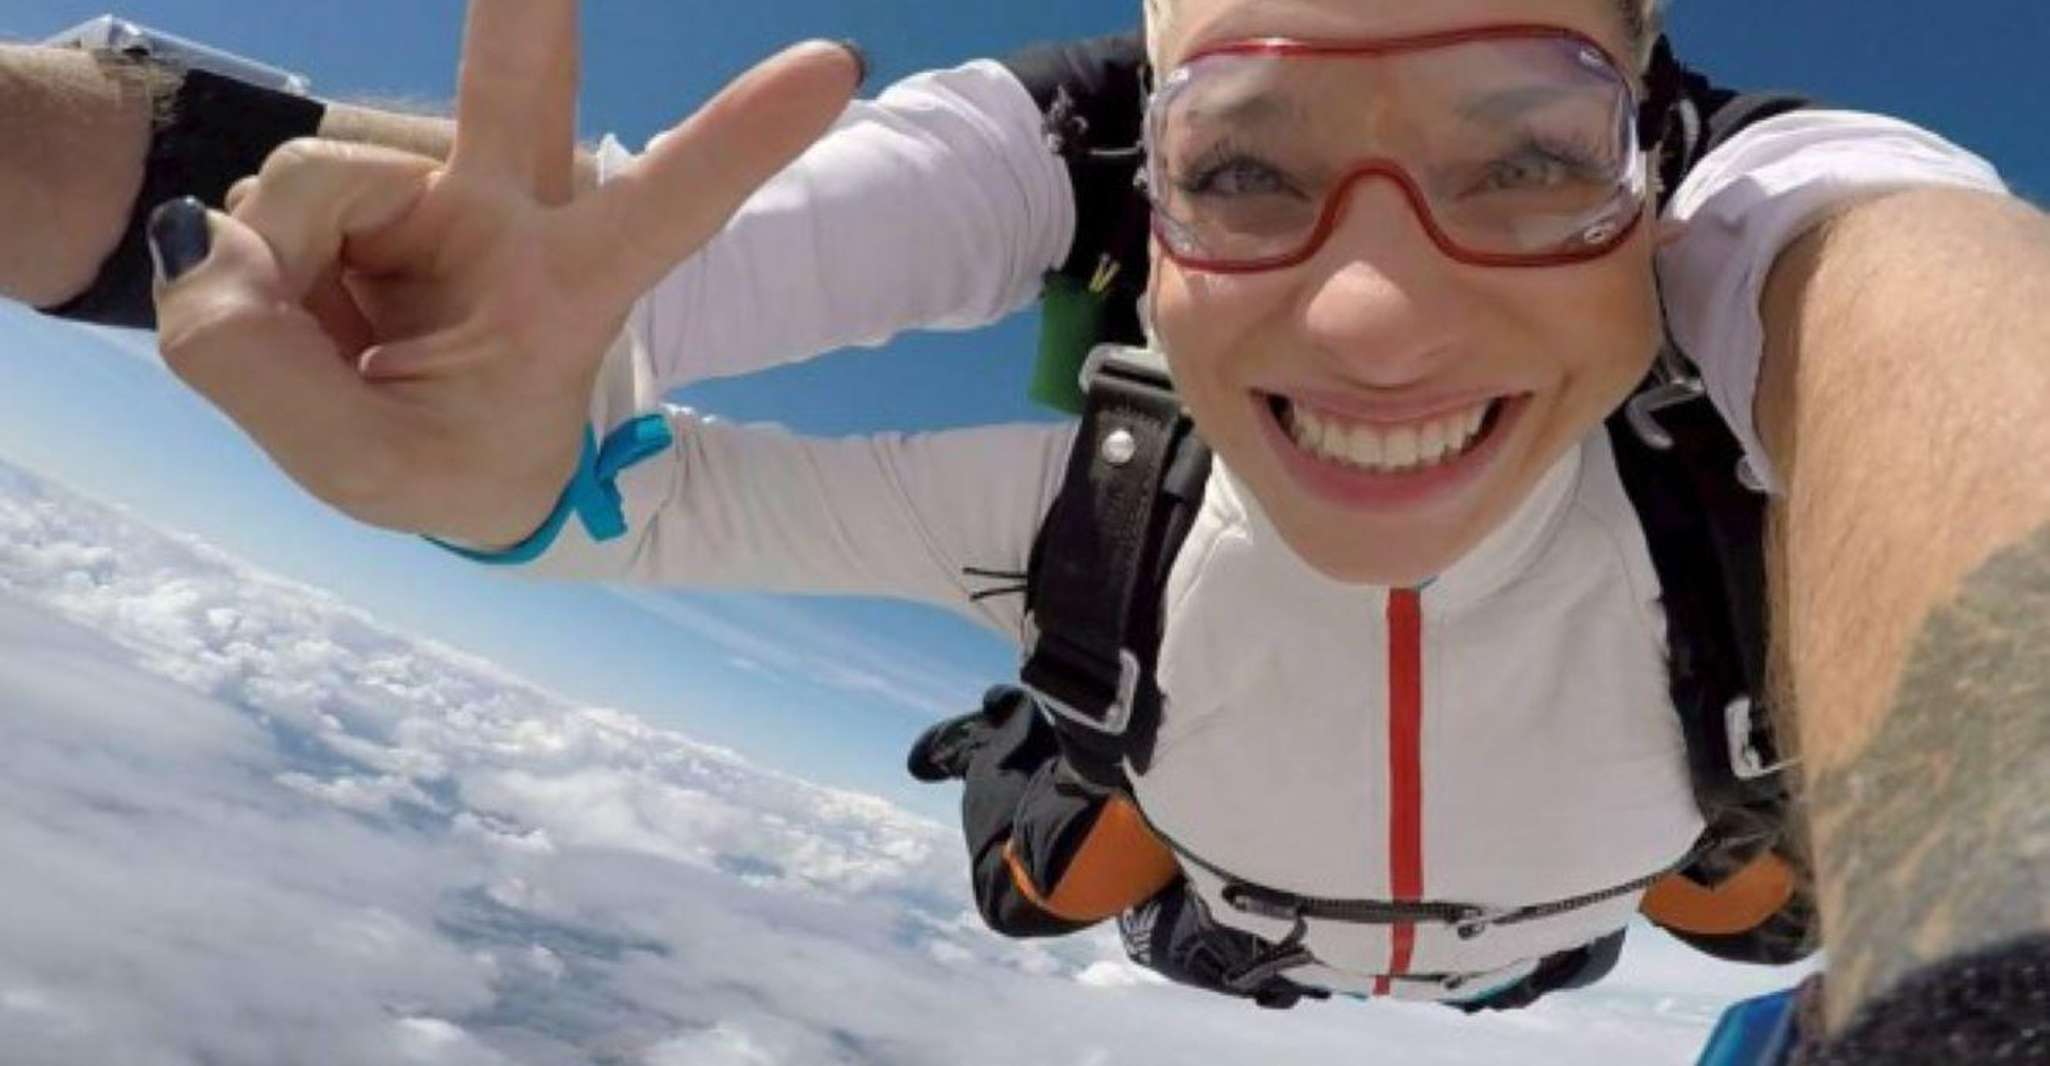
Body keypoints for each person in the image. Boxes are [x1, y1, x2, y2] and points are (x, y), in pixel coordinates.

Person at [21, 1, 2050, 1059]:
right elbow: (600, 325)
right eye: (1241, 172)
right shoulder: (1099, 512)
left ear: (1659, 187)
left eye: (1527, 162)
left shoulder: (1737, 379)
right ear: (1137, 210)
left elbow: (1915, 298)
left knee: (1759, 893)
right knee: (1057, 871)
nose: (1372, 313)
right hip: (1243, 882)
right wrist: (467, 426)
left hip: (1573, 881)